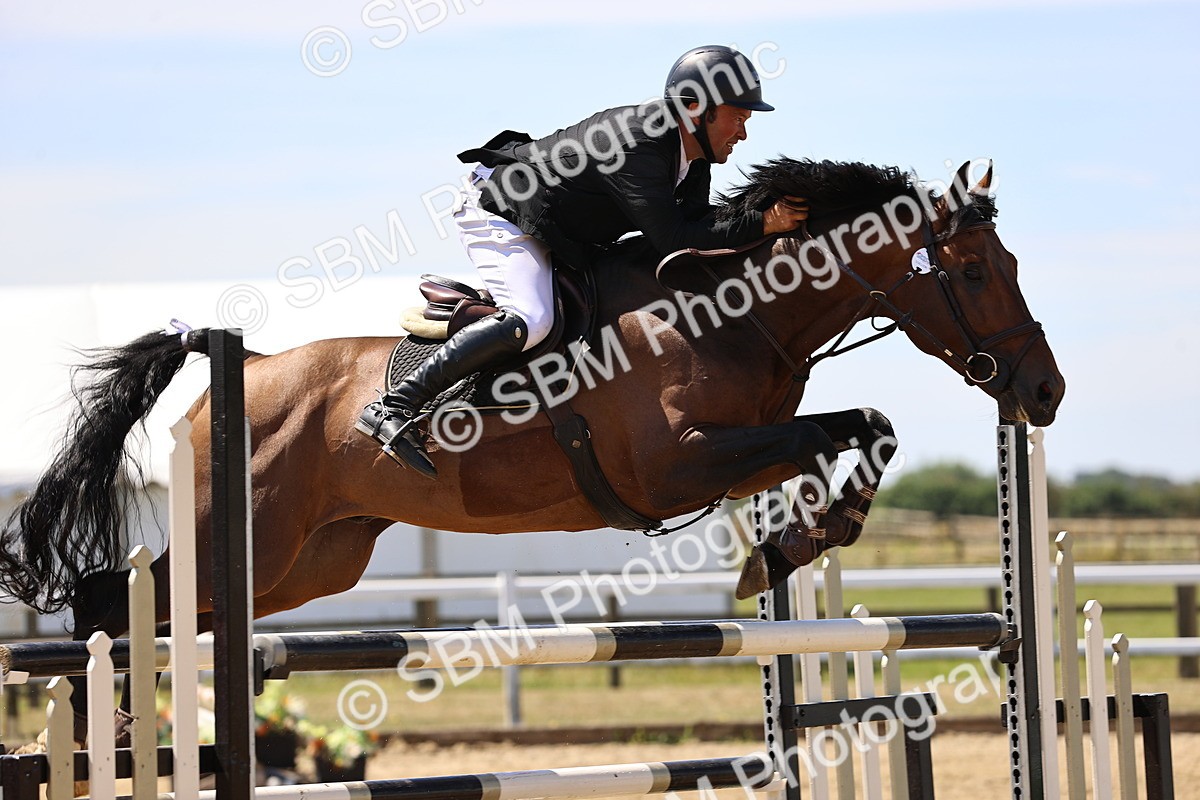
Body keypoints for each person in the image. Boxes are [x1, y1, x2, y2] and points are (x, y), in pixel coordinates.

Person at [357, 45, 809, 477]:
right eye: (738, 117)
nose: (744, 133)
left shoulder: (690, 156)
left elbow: (694, 230)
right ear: (697, 108)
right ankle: (394, 406)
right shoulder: (642, 139)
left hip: (560, 227)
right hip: (504, 210)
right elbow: (673, 236)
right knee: (531, 318)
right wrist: (764, 223)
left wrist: (760, 216)